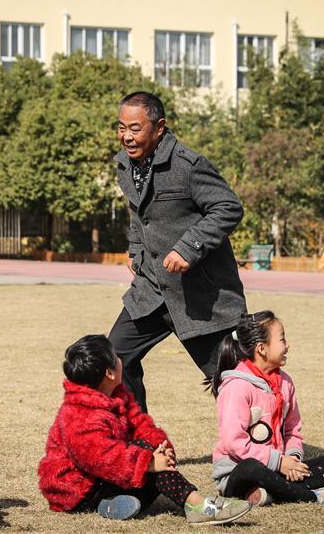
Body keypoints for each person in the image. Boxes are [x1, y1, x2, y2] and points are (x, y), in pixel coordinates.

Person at [110, 91, 246, 412]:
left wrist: (188, 247)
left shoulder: (189, 165)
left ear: (159, 128)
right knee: (115, 358)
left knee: (234, 378)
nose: (127, 137)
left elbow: (228, 207)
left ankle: (267, 443)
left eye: (135, 128)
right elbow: (138, 212)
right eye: (121, 128)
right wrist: (135, 250)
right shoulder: (126, 166)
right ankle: (144, 444)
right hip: (151, 291)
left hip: (197, 297)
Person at [38, 335, 252, 526]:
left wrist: (162, 449)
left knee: (150, 456)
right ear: (109, 373)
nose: (120, 359)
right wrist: (149, 462)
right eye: (116, 357)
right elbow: (101, 459)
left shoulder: (117, 393)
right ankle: (199, 506)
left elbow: (141, 424)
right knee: (147, 462)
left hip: (104, 478)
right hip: (77, 490)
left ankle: (109, 505)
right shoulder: (78, 414)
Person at [209, 311, 324, 506]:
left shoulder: (285, 382)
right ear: (262, 349)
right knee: (251, 468)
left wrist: (292, 460)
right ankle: (311, 496)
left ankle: (272, 493)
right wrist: (279, 462)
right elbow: (234, 443)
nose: (288, 345)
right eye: (282, 339)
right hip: (239, 470)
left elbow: (292, 430)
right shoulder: (237, 387)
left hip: (278, 468)